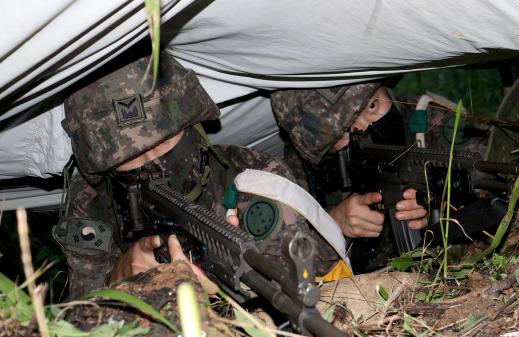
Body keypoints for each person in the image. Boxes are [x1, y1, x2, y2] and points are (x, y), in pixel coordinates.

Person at [54, 53, 337, 300]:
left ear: (193, 127)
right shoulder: (92, 205)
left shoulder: (255, 177)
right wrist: (116, 281)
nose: (153, 164)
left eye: (163, 141)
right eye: (128, 157)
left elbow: (308, 281)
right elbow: (80, 320)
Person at [270, 84, 430, 240]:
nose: (366, 130)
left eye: (372, 106)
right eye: (343, 132)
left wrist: (439, 212)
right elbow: (283, 252)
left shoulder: (430, 124)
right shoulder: (292, 179)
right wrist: (331, 224)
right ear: (325, 149)